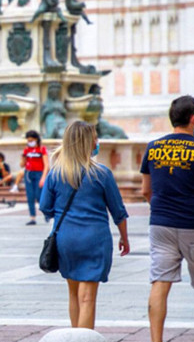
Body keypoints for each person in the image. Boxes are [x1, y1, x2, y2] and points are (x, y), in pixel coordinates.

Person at [39, 121, 130, 329]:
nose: (97, 142)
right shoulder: (102, 174)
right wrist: (124, 238)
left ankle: (75, 340)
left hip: (66, 239)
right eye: (95, 138)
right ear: (88, 143)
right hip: (95, 239)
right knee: (87, 298)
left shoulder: (56, 173)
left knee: (73, 293)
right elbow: (118, 211)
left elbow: (45, 207)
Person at [140, 95, 194, 342]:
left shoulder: (153, 147)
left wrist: (160, 210)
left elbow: (146, 190)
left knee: (160, 282)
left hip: (161, 224)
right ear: (193, 118)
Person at [21, 130, 49, 225]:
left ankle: (46, 213)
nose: (30, 142)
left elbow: (46, 165)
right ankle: (32, 217)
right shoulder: (27, 150)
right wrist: (23, 156)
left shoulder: (42, 149)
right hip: (29, 173)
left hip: (39, 173)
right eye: (28, 140)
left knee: (39, 195)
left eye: (31, 140)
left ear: (36, 139)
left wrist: (43, 177)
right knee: (30, 196)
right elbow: (22, 164)